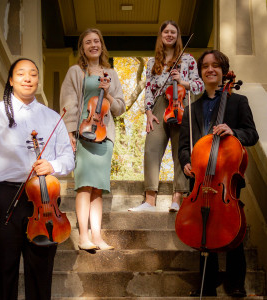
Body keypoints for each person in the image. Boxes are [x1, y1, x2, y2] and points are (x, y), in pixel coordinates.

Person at [0, 58, 75, 300]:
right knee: (2, 271)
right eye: (21, 74)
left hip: (44, 201)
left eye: (33, 74)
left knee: (41, 274)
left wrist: (53, 165)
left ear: (38, 81)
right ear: (11, 80)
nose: (28, 78)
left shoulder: (53, 118)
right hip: (4, 197)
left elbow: (68, 159)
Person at [178, 50, 259, 297]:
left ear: (224, 71)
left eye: (215, 66)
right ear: (200, 72)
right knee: (203, 228)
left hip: (226, 177)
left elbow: (251, 134)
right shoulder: (192, 108)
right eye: (205, 66)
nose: (210, 69)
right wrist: (185, 163)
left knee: (233, 229)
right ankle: (207, 283)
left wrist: (233, 132)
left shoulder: (238, 101)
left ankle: (236, 283)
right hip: (202, 179)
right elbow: (183, 146)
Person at [60, 28, 125, 251]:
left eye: (97, 41)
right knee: (84, 186)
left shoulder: (112, 74)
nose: (93, 45)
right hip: (83, 133)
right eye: (88, 42)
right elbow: (68, 102)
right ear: (83, 47)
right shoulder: (76, 72)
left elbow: (119, 108)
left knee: (98, 188)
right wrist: (70, 132)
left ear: (102, 45)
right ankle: (83, 236)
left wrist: (107, 93)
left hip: (104, 135)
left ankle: (97, 236)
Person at [128, 20, 204, 212]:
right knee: (151, 149)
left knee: (181, 150)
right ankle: (150, 201)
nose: (169, 35)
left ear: (178, 36)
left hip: (181, 104)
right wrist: (148, 112)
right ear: (161, 36)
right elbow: (148, 89)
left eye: (173, 32)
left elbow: (199, 85)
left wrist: (183, 81)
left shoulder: (188, 59)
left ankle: (177, 197)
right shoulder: (153, 62)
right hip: (160, 105)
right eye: (166, 32)